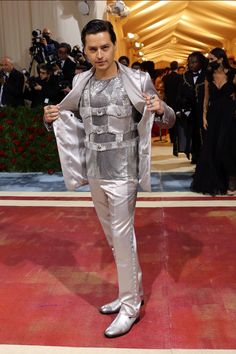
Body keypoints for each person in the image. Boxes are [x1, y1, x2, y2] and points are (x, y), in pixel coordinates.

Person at [44, 19, 175, 338]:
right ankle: (131, 292)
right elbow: (62, 114)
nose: (100, 54)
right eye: (92, 49)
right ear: (85, 50)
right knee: (114, 237)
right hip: (95, 170)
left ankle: (130, 306)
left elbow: (168, 119)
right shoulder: (80, 82)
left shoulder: (137, 79)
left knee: (120, 232)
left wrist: (160, 108)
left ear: (114, 45)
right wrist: (49, 118)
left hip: (124, 171)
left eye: (105, 47)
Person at [191, 47, 236, 195]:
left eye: (212, 59)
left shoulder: (233, 74)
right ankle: (218, 181)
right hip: (213, 115)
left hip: (229, 115)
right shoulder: (209, 75)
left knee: (226, 146)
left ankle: (231, 179)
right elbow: (206, 98)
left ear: (221, 59)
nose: (209, 62)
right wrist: (204, 116)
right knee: (213, 148)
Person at [175, 51, 208, 162]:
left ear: (201, 62)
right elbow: (179, 94)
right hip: (190, 111)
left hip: (204, 111)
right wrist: (180, 109)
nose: (192, 65)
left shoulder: (207, 75)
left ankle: (204, 157)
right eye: (190, 62)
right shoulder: (184, 76)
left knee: (203, 134)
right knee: (191, 134)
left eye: (194, 62)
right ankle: (195, 155)